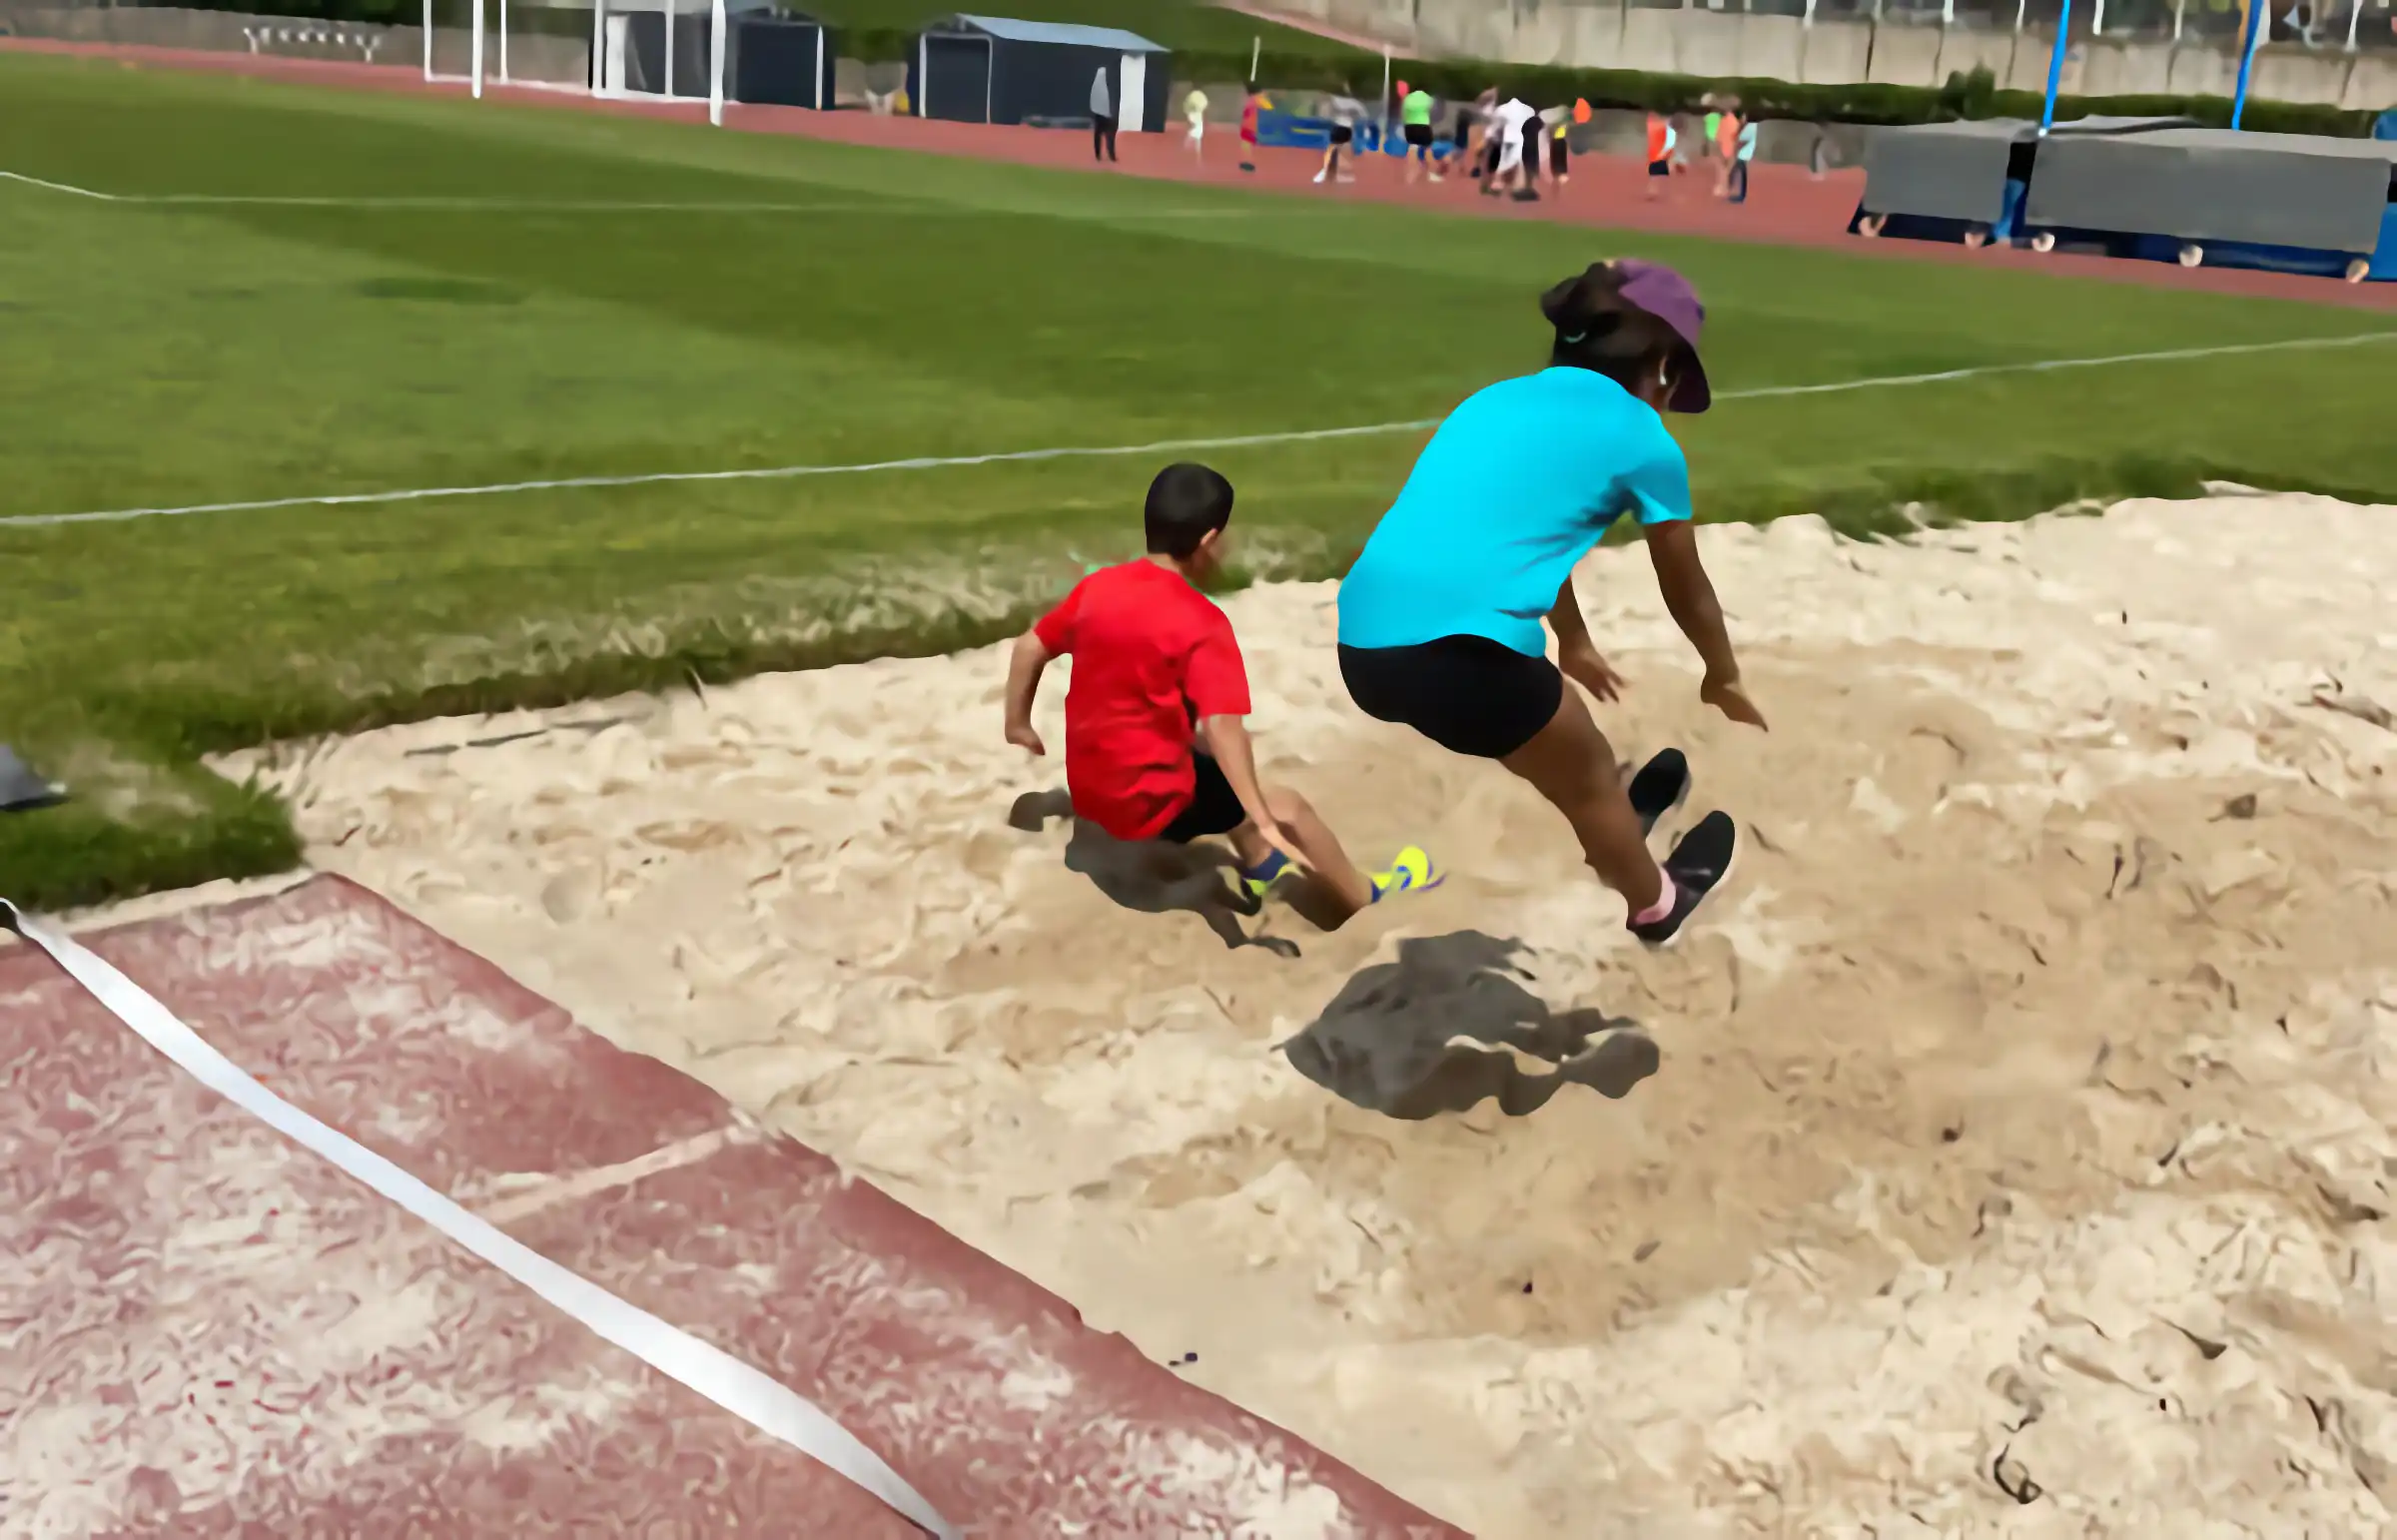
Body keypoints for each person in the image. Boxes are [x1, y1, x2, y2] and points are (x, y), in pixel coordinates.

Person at [1334, 261, 1764, 945]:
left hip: (1362, 644)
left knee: (1550, 734)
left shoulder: (1492, 402)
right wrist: (1722, 671)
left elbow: (1519, 538)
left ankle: (1611, 823)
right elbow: (1684, 582)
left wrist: (1576, 641)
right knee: (1588, 773)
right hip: (1459, 658)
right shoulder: (1645, 441)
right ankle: (1656, 903)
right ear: (1659, 362)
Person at [1006, 462, 1438, 922]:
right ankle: (1364, 896)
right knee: (1286, 805)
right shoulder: (1202, 623)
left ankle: (1259, 861)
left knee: (1197, 747)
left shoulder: (1098, 587)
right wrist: (1266, 818)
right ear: (1209, 542)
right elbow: (1226, 730)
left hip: (1092, 790)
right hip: (1149, 810)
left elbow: (1029, 646)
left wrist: (1018, 724)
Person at [1489, 94, 1538, 200]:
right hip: (1520, 139)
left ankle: (1496, 184)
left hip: (1508, 138)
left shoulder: (1503, 109)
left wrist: (1494, 137)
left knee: (1503, 161)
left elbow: (1498, 125)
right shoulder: (1528, 111)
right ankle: (1518, 188)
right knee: (1520, 164)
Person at [1315, 88, 1363, 185]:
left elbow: (1326, 113)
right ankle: (1336, 173)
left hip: (1339, 127)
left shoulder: (1335, 100)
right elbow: (1362, 115)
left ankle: (1327, 171)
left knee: (1333, 149)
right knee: (1343, 150)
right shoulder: (1354, 103)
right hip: (1346, 128)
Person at [1399, 81, 1438, 183]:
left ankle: (1410, 174)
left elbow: (1403, 112)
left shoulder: (1407, 98)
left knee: (1412, 148)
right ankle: (1431, 174)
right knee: (1428, 149)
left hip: (1409, 125)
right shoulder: (1428, 98)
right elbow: (1433, 111)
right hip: (1423, 124)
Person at [1644, 111, 1675, 201]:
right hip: (1658, 151)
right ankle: (1653, 189)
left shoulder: (1657, 126)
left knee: (1654, 172)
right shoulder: (1655, 126)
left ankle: (1653, 190)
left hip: (1659, 152)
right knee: (1654, 172)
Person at [1090, 67, 1117, 164]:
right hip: (1105, 116)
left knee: (1098, 136)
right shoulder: (1105, 86)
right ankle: (1111, 154)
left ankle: (1099, 154)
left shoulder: (1097, 86)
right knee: (1109, 136)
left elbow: (1093, 101)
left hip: (1099, 115)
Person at [1731, 115, 1758, 204]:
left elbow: (1742, 140)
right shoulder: (1754, 126)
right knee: (1742, 175)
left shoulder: (1750, 126)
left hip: (1744, 154)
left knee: (1737, 173)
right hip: (1746, 154)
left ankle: (1740, 195)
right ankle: (1741, 194)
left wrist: (1736, 149)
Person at [1238, 83, 1263, 174]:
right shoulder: (1257, 100)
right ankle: (1247, 162)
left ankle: (1248, 162)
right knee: (1247, 146)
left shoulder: (1252, 100)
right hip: (1251, 126)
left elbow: (1246, 113)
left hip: (1249, 126)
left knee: (1246, 146)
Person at [1184, 85, 1208, 162]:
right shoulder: (1197, 95)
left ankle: (1194, 149)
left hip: (1194, 114)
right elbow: (1203, 104)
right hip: (1195, 114)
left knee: (1197, 131)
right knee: (1197, 130)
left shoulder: (1191, 95)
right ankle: (1190, 147)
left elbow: (1186, 105)